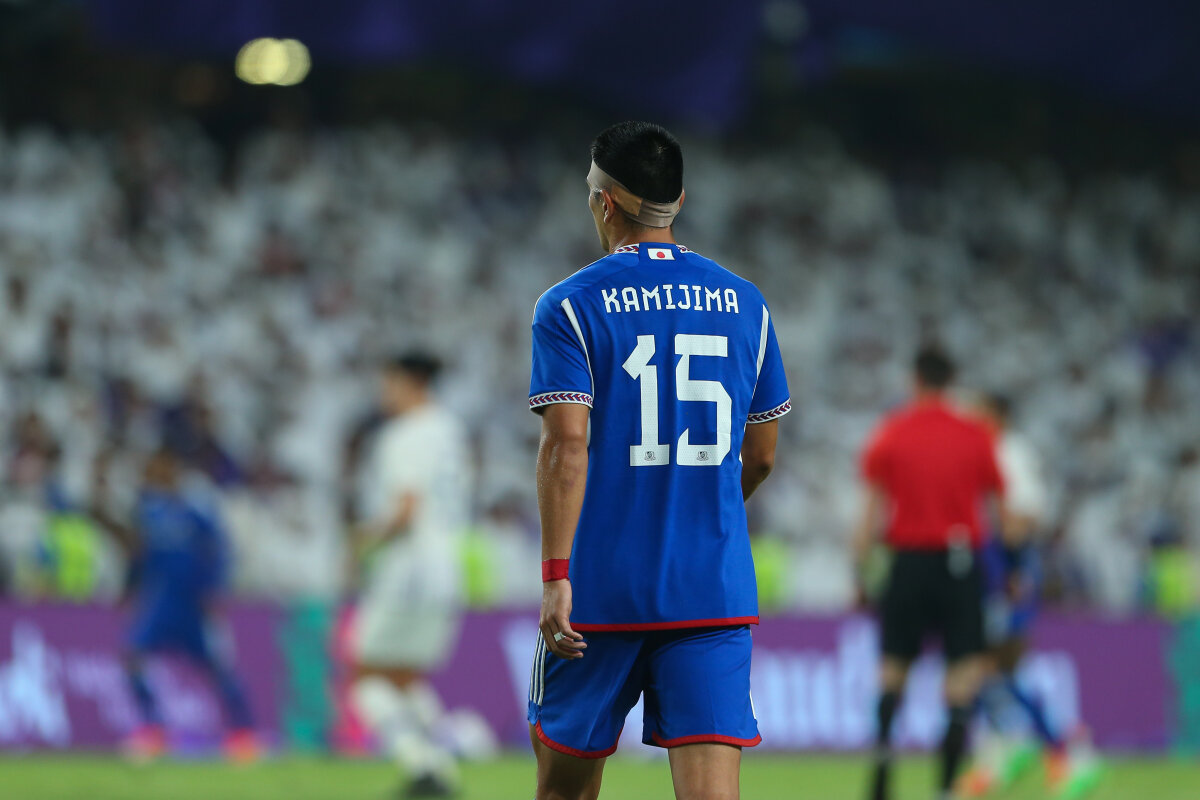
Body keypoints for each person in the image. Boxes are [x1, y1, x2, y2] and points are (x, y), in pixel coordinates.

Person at [526, 121, 790, 800]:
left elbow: (566, 446)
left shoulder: (570, 305)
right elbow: (761, 456)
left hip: (600, 589)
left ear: (606, 201)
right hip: (710, 589)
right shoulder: (746, 304)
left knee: (563, 790)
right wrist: (698, 513)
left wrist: (556, 577)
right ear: (680, 199)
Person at [852, 347, 1004, 800]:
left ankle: (881, 779)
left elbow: (871, 508)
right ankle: (945, 787)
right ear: (951, 382)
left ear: (915, 380)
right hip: (960, 561)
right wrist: (1003, 570)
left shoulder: (893, 430)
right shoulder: (975, 433)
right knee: (962, 674)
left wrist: (860, 568)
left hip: (908, 560)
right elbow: (996, 507)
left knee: (893, 669)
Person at [959, 393, 1100, 799]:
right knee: (989, 672)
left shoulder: (1010, 454)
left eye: (981, 413)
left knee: (990, 668)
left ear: (998, 416)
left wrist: (1012, 571)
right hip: (993, 572)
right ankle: (1010, 752)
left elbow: (1021, 517)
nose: (973, 420)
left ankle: (1063, 752)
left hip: (1005, 578)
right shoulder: (991, 453)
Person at [348, 352, 471, 799]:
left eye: (389, 384)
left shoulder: (404, 434)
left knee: (364, 673)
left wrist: (364, 541)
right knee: (405, 677)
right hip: (447, 565)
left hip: (410, 567)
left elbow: (406, 509)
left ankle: (421, 764)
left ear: (409, 383)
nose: (385, 394)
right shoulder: (450, 429)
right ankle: (441, 764)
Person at [102, 448, 258, 761]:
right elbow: (140, 556)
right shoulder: (149, 513)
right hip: (161, 603)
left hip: (194, 605)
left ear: (175, 473)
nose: (157, 477)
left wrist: (214, 589)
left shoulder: (196, 511)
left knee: (219, 667)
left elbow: (220, 551)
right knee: (132, 657)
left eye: (163, 470)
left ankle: (243, 734)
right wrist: (130, 589)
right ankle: (154, 731)